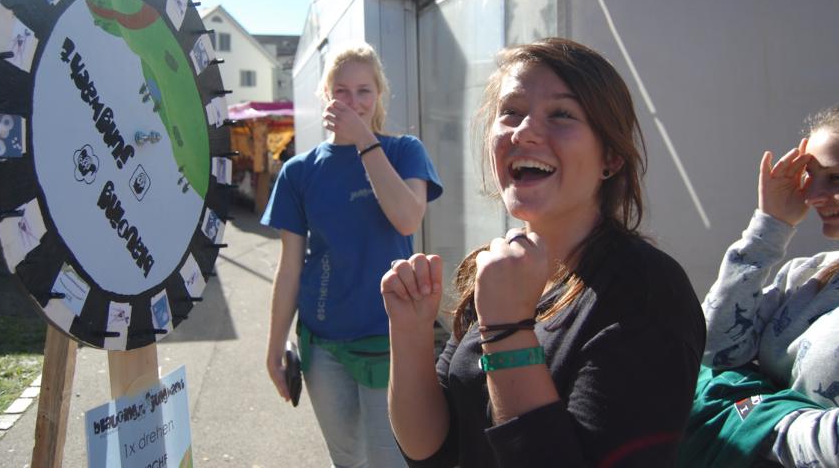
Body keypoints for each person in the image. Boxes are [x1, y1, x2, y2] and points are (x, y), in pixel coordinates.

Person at [381, 38, 706, 467]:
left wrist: (507, 330)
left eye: (561, 114)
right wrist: (410, 331)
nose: (524, 132)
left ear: (610, 156)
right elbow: (430, 450)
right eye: (511, 112)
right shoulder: (501, 269)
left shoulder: (647, 291)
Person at [263, 42, 443, 468]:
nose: (353, 101)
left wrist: (364, 140)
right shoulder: (299, 171)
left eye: (364, 90)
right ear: (326, 95)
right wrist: (274, 346)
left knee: (391, 460)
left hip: (389, 339)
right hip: (322, 343)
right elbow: (290, 267)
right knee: (347, 459)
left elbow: (407, 218)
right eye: (341, 91)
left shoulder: (404, 151)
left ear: (379, 94)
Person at [680, 105, 839, 468]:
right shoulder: (808, 273)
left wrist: (758, 417)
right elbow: (716, 350)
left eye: (835, 178)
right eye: (809, 176)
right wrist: (770, 227)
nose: (812, 195)